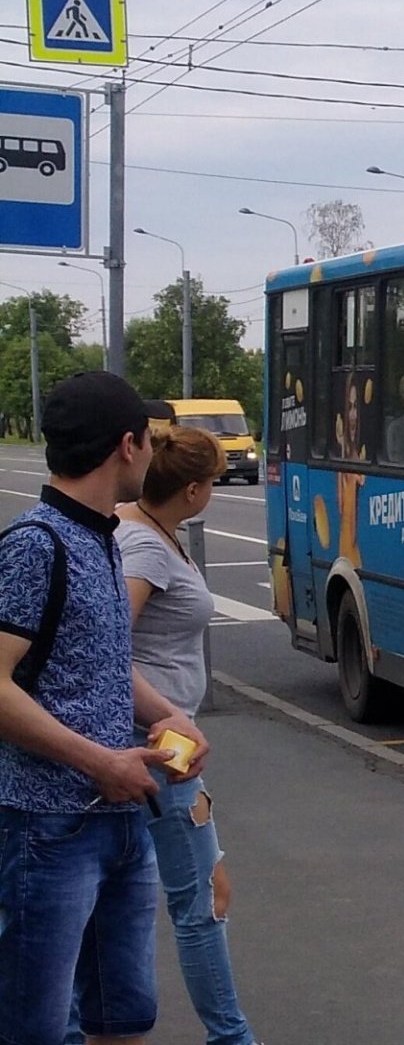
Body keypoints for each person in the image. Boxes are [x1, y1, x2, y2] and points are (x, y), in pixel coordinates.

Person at [0, 371, 208, 1045]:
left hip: (121, 817)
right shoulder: (37, 545)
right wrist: (99, 761)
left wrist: (163, 715)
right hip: (48, 825)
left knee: (125, 1015)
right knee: (33, 1024)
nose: (152, 453)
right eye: (150, 439)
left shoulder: (102, 538)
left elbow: (101, 662)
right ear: (127, 445)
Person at [99, 424, 261, 1045]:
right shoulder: (144, 548)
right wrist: (168, 710)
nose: (215, 491)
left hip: (169, 750)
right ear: (193, 490)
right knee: (197, 906)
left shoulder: (150, 528)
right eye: (215, 481)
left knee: (192, 896)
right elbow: (108, 646)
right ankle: (232, 1037)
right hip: (154, 749)